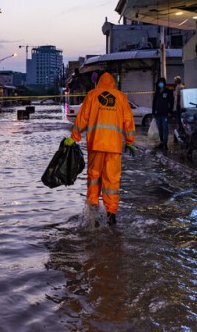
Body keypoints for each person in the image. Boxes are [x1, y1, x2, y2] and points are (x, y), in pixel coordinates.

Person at [64, 72, 136, 227]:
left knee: (94, 178)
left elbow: (82, 117)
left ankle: (93, 214)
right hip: (114, 146)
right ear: (113, 83)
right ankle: (111, 214)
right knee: (112, 180)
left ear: (99, 83)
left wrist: (74, 137)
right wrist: (130, 142)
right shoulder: (121, 97)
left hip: (96, 144)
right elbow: (128, 120)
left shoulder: (92, 95)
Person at [151, 77, 174, 150]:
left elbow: (172, 102)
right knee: (160, 129)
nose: (160, 84)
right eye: (159, 83)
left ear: (164, 83)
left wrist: (170, 111)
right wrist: (153, 112)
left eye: (162, 82)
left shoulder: (168, 92)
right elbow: (154, 103)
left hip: (165, 114)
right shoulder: (157, 92)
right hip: (158, 114)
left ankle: (165, 143)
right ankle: (161, 142)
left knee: (165, 128)